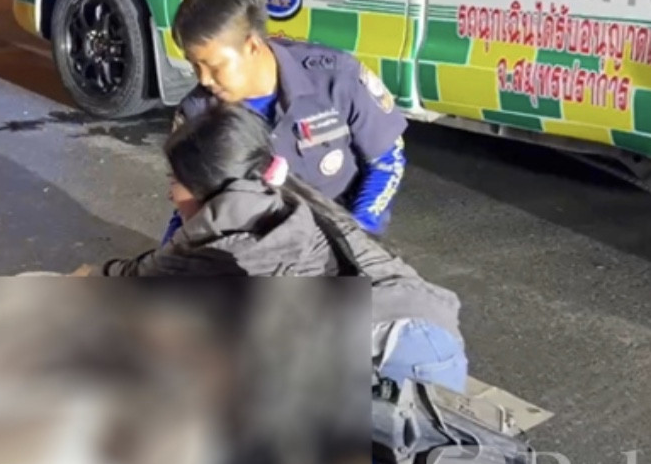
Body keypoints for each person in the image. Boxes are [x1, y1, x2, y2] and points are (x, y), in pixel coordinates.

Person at [86, 102, 466, 394]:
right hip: (434, 333)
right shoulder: (283, 193)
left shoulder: (226, 232)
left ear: (208, 185)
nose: (170, 193)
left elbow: (144, 281)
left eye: (175, 180)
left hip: (393, 360)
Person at [159, 0, 408, 246]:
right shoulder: (197, 114)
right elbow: (189, 205)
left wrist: (357, 237)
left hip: (339, 235)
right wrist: (166, 260)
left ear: (252, 45)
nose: (204, 79)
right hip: (253, 252)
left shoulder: (336, 78)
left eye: (215, 66)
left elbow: (387, 161)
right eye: (195, 66)